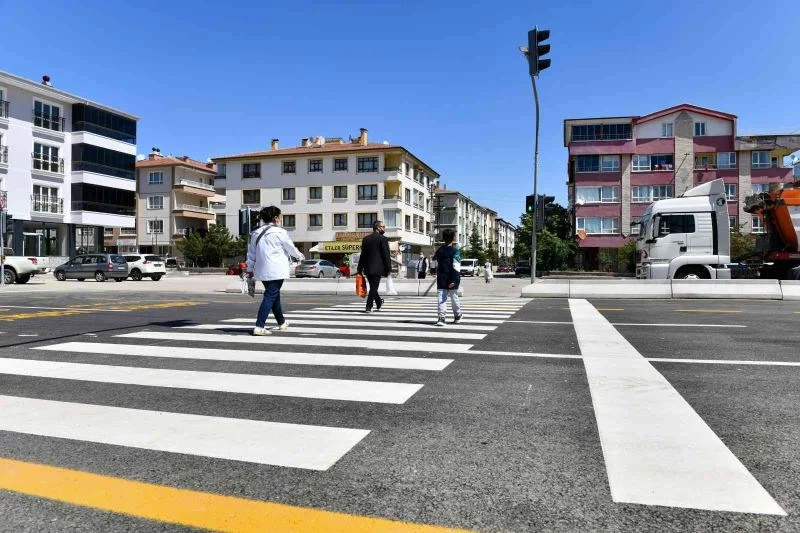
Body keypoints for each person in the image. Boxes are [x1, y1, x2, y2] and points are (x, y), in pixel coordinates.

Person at [246, 205, 304, 335]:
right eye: (280, 216)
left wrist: (250, 268)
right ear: (275, 218)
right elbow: (290, 248)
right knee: (270, 295)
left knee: (274, 295)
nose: (281, 218)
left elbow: (251, 254)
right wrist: (300, 256)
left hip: (262, 269)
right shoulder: (280, 232)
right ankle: (259, 326)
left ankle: (281, 322)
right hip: (276, 270)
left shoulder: (255, 233)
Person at [356, 220, 391, 313]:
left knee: (373, 287)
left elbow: (362, 255)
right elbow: (386, 255)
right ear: (378, 228)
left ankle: (379, 302)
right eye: (383, 227)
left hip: (367, 268)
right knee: (373, 288)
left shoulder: (366, 239)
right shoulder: (383, 239)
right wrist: (388, 269)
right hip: (378, 268)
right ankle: (368, 306)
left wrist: (359, 268)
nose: (384, 228)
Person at [433, 228, 462, 326]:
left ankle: (441, 318)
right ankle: (457, 315)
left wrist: (433, 271)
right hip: (452, 278)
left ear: (443, 238)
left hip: (441, 277)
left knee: (441, 298)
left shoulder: (439, 251)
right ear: (453, 238)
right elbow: (456, 267)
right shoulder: (455, 251)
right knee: (454, 297)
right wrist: (454, 280)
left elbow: (433, 263)